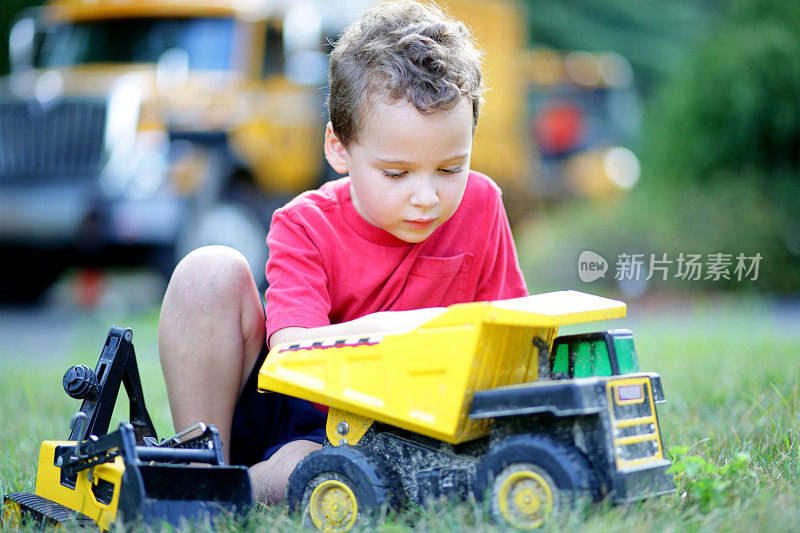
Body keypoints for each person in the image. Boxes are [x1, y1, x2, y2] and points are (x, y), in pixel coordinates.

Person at [157, 0, 528, 504]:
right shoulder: (304, 225)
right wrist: (413, 332)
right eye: (396, 173)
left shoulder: (481, 204)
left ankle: (238, 487)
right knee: (207, 271)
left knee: (348, 475)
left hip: (423, 421)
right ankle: (205, 471)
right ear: (338, 148)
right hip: (316, 417)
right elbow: (296, 351)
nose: (427, 196)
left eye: (449, 168)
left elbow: (512, 339)